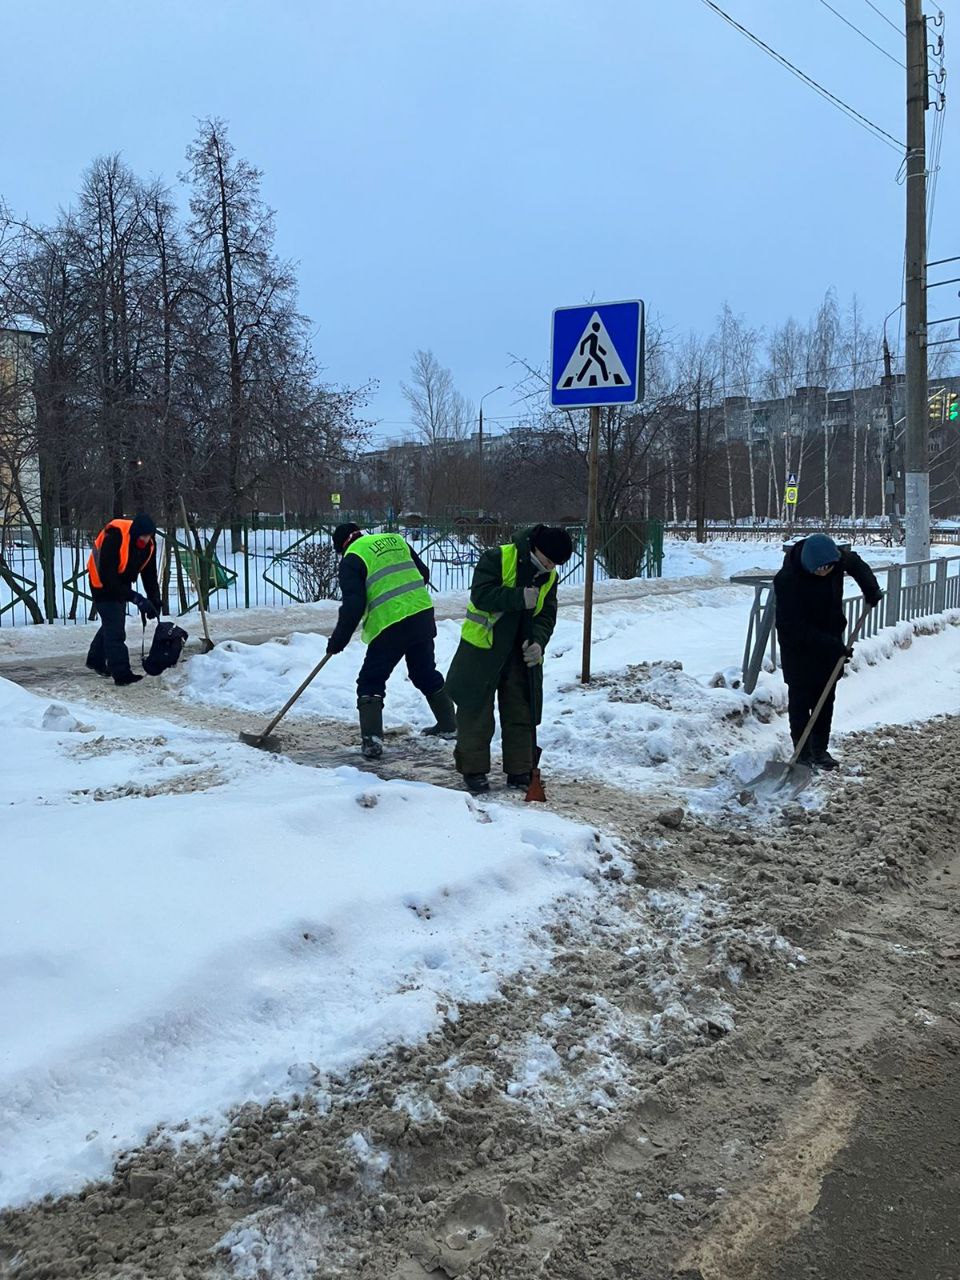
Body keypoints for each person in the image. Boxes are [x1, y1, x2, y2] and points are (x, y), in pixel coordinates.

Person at [445, 524, 573, 794]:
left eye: (555, 564)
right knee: (475, 710)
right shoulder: (498, 558)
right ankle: (474, 770)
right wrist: (518, 597)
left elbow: (546, 615)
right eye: (549, 561)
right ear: (538, 549)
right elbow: (481, 595)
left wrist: (538, 642)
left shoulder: (549, 576)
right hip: (484, 647)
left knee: (521, 709)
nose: (551, 568)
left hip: (520, 652)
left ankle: (520, 769)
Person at [327, 523, 456, 758]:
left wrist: (338, 641)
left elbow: (353, 606)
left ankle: (372, 741)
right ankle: (449, 725)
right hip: (422, 614)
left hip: (390, 624)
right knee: (424, 672)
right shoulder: (395, 540)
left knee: (371, 680)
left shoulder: (351, 559)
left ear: (342, 546)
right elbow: (423, 574)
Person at [774, 533, 882, 770]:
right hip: (798, 644)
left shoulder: (833, 559)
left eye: (829, 569)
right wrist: (833, 646)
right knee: (801, 697)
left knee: (826, 696)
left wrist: (870, 588)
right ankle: (802, 754)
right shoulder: (786, 580)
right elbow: (792, 626)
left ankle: (819, 751)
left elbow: (856, 564)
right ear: (808, 564)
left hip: (830, 633)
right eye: (820, 570)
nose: (826, 573)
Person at [86, 512, 163, 686]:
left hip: (121, 581)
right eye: (142, 536)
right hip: (101, 581)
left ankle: (95, 660)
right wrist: (136, 598)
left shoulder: (150, 544)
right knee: (116, 629)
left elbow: (149, 574)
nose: (145, 540)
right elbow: (107, 576)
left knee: (113, 621)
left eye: (148, 536)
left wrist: (154, 600)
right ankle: (121, 673)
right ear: (135, 533)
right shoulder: (115, 537)